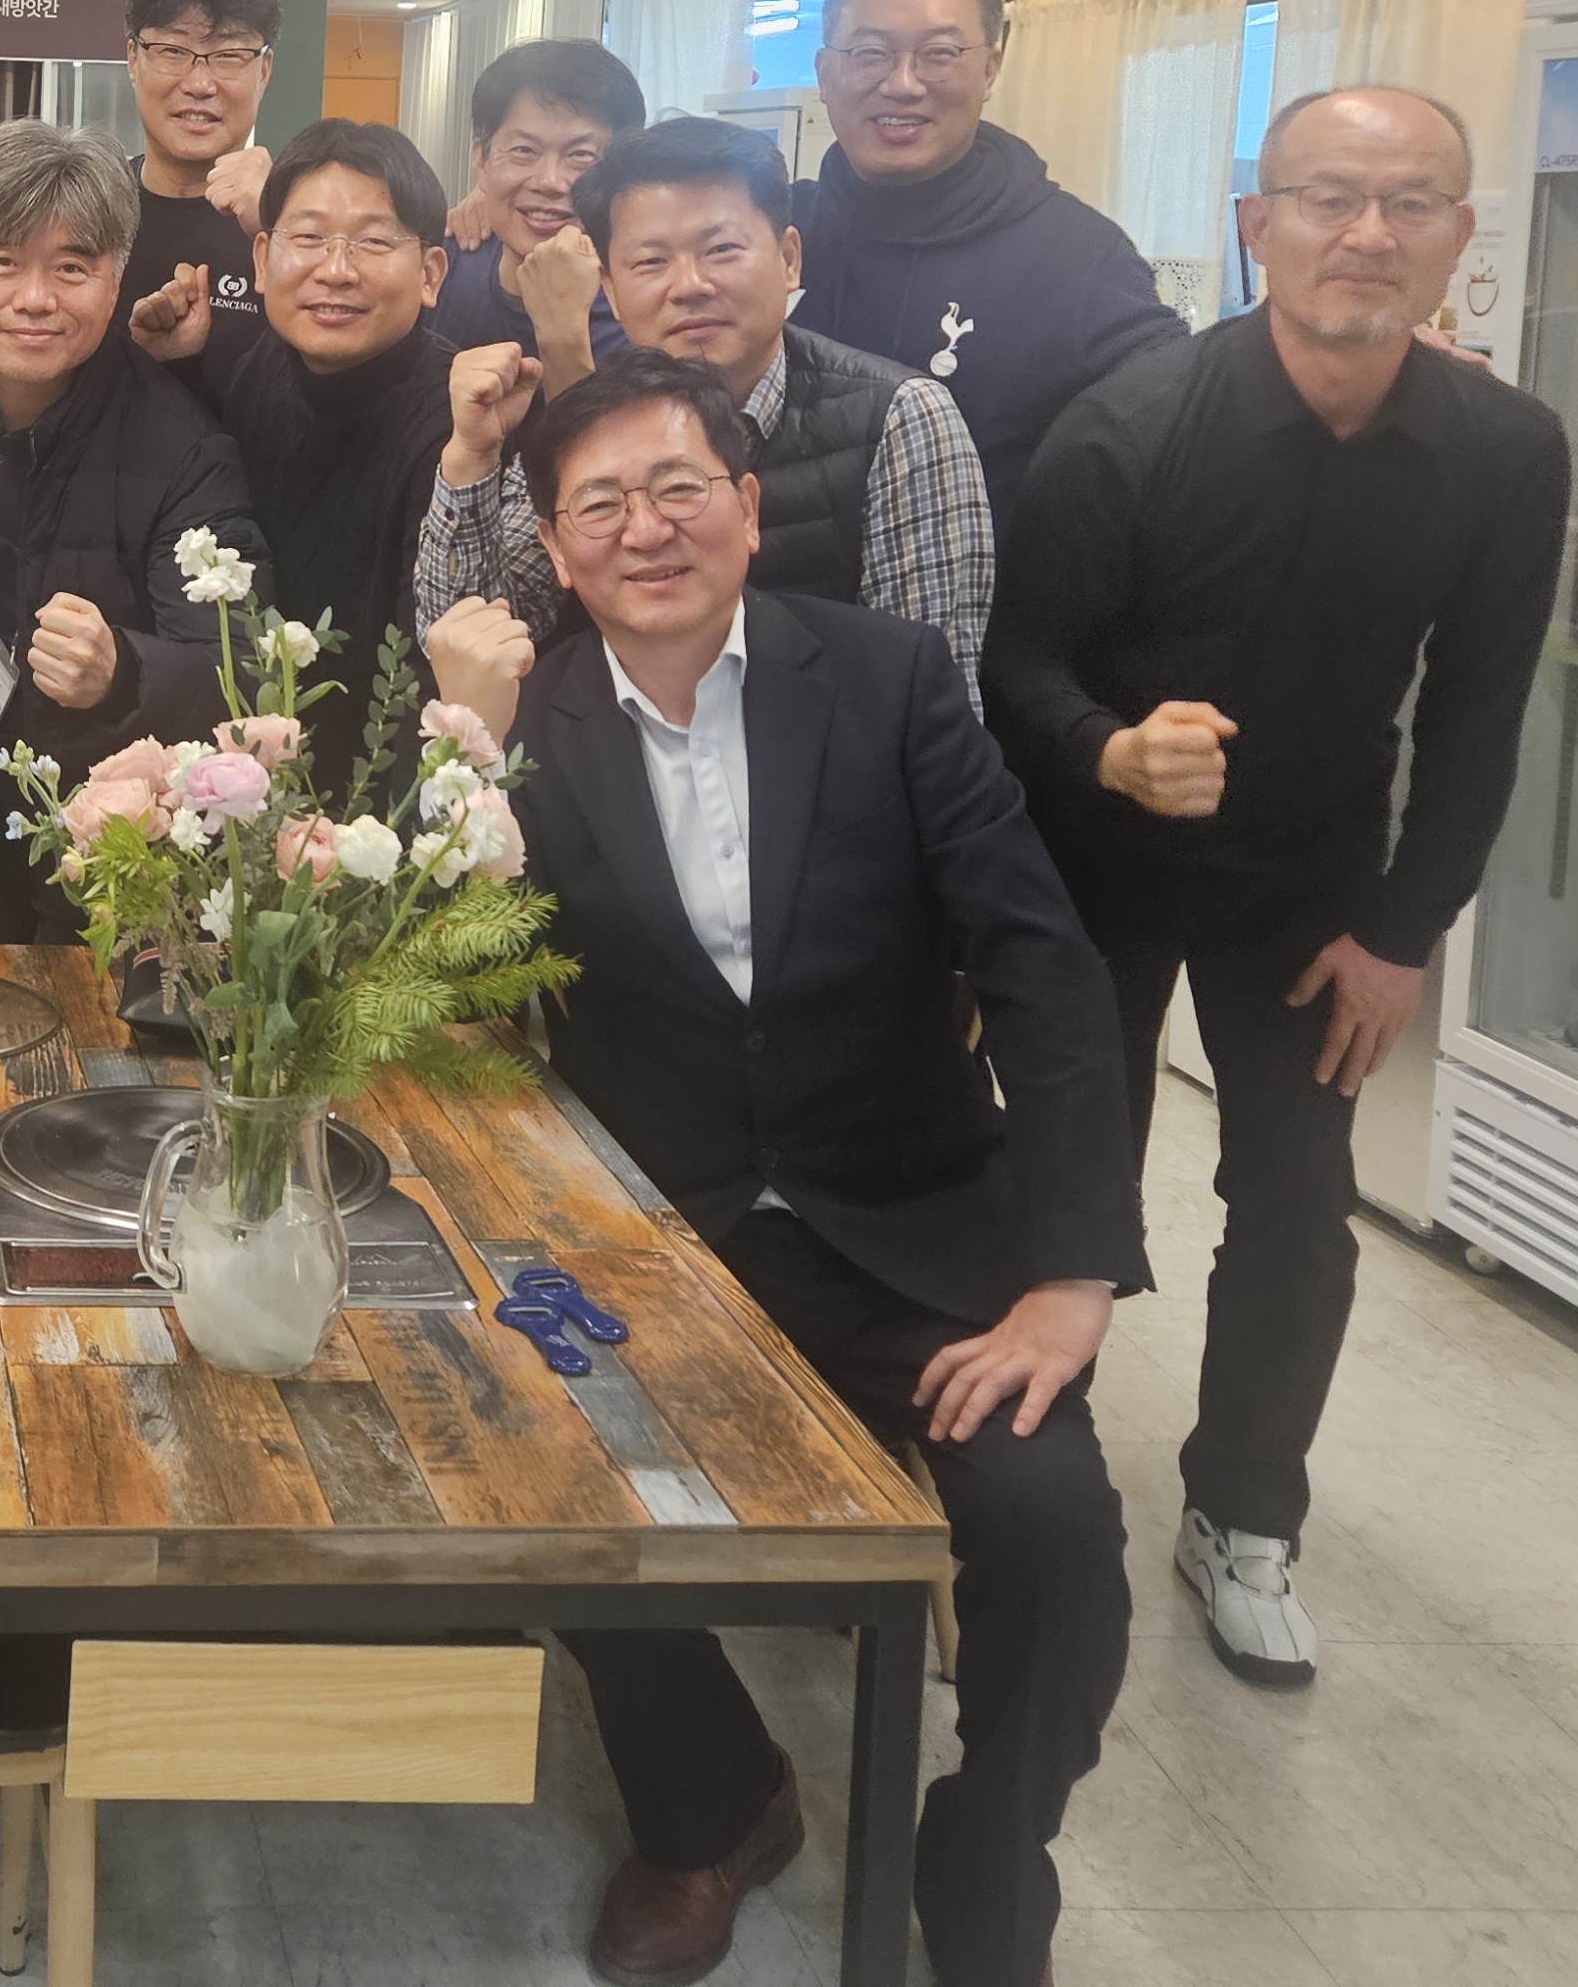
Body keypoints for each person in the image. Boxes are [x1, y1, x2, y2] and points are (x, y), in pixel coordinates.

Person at [425, 351, 1141, 1987]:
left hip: (908, 1223)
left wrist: (1071, 1274)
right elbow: (443, 986)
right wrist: (461, 743)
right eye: (601, 505)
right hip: (653, 1232)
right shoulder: (527, 718)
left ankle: (989, 1841)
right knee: (537, 1457)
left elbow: (1040, 965)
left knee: (1052, 1527)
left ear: (749, 509)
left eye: (681, 487)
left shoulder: (886, 680)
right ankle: (714, 1805)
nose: (647, 528)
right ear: (555, 549)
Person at [988, 84, 1562, 1694]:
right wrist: (1111, 751)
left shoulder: (1505, 451)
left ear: (1459, 235)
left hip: (1311, 890)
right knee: (1064, 1199)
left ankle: (1245, 1515)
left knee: (1302, 1212)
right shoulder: (1130, 427)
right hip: (1091, 871)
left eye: (1409, 203)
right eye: (1327, 198)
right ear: (1259, 228)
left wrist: (1402, 933)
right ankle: (1030, 1514)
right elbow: (1014, 665)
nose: (1366, 235)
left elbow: (1479, 716)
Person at [417, 117, 994, 704]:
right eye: (650, 262)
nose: (689, 285)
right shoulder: (595, 418)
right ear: (609, 289)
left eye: (721, 250)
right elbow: (467, 644)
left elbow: (934, 695)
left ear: (788, 259)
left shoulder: (899, 417)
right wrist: (472, 458)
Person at [0, 122, 264, 940]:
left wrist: (123, 669)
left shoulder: (180, 447)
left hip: (84, 861)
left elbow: (244, 675)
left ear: (115, 281)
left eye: (72, 267)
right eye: (4, 262)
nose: (36, 299)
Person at [788, 0, 1182, 516]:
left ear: (990, 70)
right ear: (824, 74)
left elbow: (1177, 444)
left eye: (939, 54)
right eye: (870, 52)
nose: (902, 83)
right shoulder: (772, 233)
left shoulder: (1078, 257)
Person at [128, 116, 452, 784]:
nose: (335, 270)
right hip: (253, 781)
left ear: (430, 274)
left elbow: (430, 675)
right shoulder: (269, 365)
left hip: (379, 795)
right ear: (261, 260)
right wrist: (179, 371)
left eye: (373, 241)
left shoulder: (456, 427)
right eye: (307, 238)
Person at [432, 35, 640, 383]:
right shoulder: (439, 273)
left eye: (581, 155)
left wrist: (563, 339)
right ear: (481, 161)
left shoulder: (642, 307)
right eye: (524, 150)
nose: (549, 182)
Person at [115, 0, 285, 343]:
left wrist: (278, 229)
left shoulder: (300, 220)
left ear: (264, 71)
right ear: (134, 60)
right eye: (173, 51)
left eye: (228, 55)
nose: (199, 84)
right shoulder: (91, 207)